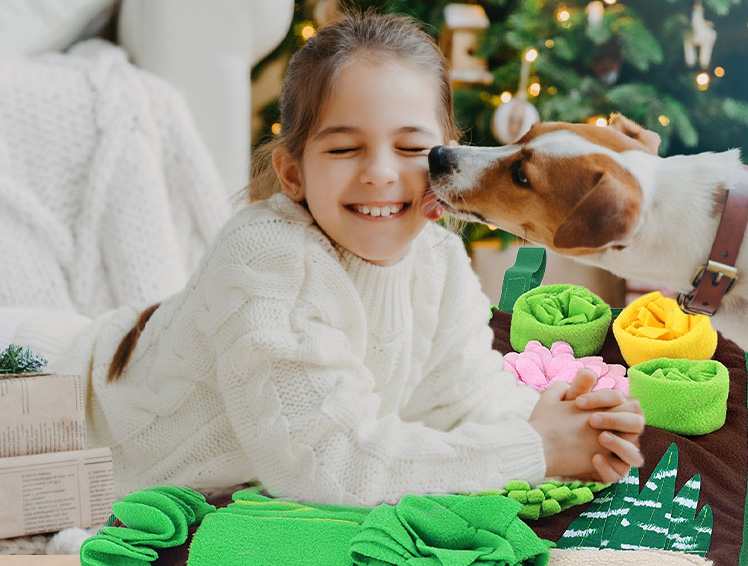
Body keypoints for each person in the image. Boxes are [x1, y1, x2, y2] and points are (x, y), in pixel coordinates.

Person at [8, 11, 644, 506]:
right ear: (291, 172)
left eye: (409, 147)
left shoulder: (439, 261)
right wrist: (531, 449)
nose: (379, 174)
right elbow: (329, 464)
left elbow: (458, 400)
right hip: (46, 397)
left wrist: (574, 423)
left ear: (447, 165)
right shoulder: (267, 258)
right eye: (343, 150)